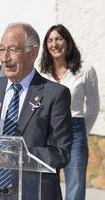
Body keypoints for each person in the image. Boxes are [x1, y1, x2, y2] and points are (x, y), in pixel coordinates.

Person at [0, 23, 73, 200]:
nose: (5, 58)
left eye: (12, 50)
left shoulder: (55, 94)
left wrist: (15, 155)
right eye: (2, 50)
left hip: (32, 192)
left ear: (33, 53)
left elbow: (61, 153)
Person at [40, 24, 100, 200]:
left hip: (75, 130)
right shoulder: (43, 71)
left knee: (75, 185)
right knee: (48, 185)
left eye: (59, 39)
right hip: (48, 132)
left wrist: (81, 131)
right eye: (50, 40)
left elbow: (94, 107)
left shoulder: (85, 70)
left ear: (67, 42)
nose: (54, 44)